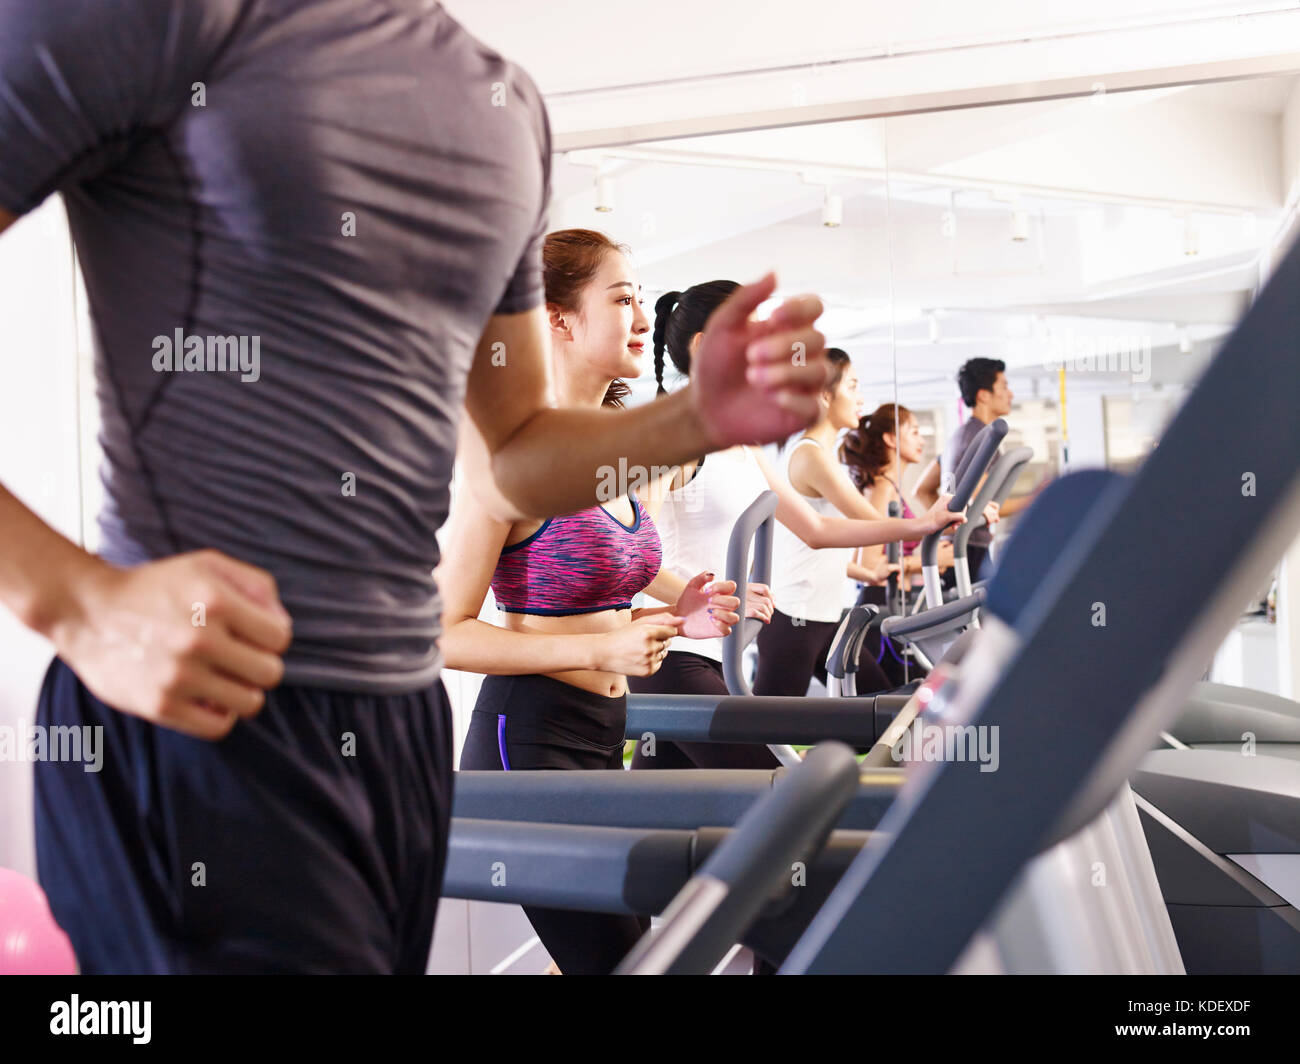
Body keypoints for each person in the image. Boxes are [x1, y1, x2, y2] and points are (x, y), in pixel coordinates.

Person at [0, 3, 829, 974]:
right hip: (211, 702)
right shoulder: (169, 21)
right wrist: (78, 599)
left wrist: (693, 418)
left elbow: (514, 449)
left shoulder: (501, 101)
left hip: (396, 714)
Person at [442, 230, 742, 974]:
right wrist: (596, 648)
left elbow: (615, 567)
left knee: (614, 957)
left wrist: (683, 603)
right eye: (622, 299)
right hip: (529, 744)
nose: (644, 317)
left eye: (641, 298)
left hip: (605, 734)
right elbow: (442, 632)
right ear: (559, 319)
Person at [630, 285, 959, 767]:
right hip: (670, 658)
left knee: (666, 809)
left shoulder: (739, 445)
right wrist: (704, 600)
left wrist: (922, 527)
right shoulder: (672, 437)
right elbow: (630, 554)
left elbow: (816, 529)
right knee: (775, 790)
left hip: (714, 655)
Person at [752, 350, 970, 699]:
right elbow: (865, 522)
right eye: (852, 386)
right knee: (761, 735)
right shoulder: (808, 455)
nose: (861, 398)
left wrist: (863, 573)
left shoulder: (820, 456)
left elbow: (813, 543)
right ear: (824, 394)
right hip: (795, 619)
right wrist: (935, 522)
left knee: (879, 710)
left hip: (824, 617)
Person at [915, 358, 1035, 583]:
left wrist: (943, 521)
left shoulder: (961, 436)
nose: (1011, 394)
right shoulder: (982, 440)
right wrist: (1036, 499)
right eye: (1004, 387)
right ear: (983, 395)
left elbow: (922, 489)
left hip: (959, 547)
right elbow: (983, 502)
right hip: (967, 552)